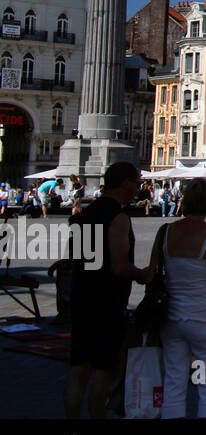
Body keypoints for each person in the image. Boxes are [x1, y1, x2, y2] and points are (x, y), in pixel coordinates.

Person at [64, 162, 154, 419]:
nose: (137, 188)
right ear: (124, 183)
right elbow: (119, 266)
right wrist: (142, 274)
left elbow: (75, 259)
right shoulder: (118, 217)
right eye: (136, 183)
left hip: (81, 297)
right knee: (103, 370)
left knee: (78, 369)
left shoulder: (85, 214)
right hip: (106, 302)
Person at [148, 179, 206, 418]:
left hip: (172, 317)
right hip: (204, 317)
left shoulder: (165, 231)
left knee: (174, 380)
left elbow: (149, 274)